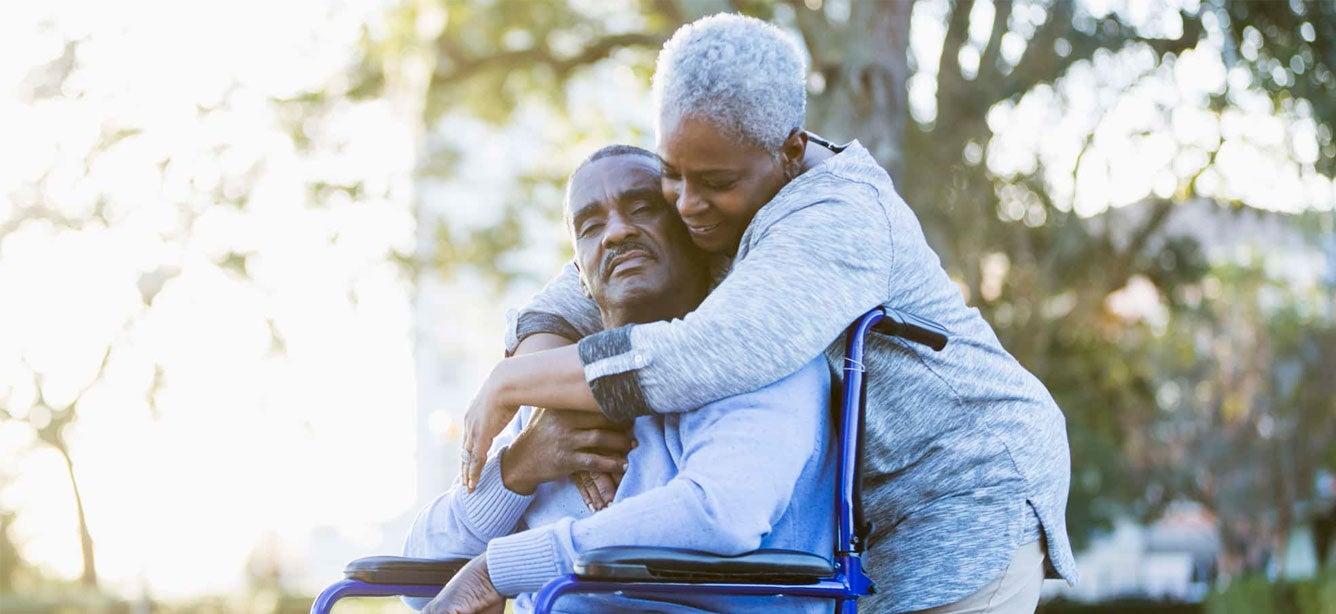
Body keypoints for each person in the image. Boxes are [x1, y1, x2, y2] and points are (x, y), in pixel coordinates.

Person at [460, 14, 1078, 613]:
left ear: (790, 150)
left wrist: (513, 383)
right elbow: (575, 288)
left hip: (964, 483)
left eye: (713, 182)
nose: (687, 205)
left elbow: (704, 356)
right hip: (868, 509)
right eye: (671, 175)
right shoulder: (719, 183)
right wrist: (536, 381)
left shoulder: (837, 219)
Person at [408, 145, 836, 613]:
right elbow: (416, 576)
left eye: (642, 208)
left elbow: (720, 513)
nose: (616, 232)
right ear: (580, 279)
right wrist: (520, 467)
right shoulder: (551, 391)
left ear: (696, 234)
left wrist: (499, 568)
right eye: (591, 226)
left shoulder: (757, 348)